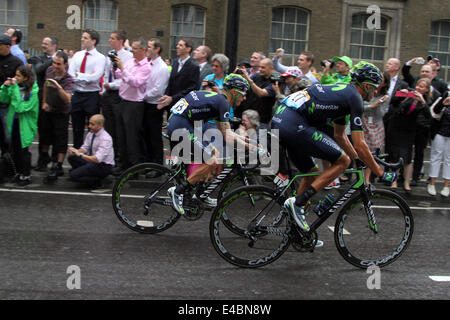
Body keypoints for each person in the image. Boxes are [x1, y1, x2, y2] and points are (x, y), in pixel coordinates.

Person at [272, 62, 396, 235]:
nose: (375, 92)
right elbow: (360, 144)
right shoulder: (355, 99)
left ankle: (295, 228)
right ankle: (298, 203)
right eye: (374, 88)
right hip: (294, 124)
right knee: (342, 161)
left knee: (312, 173)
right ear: (366, 85)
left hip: (282, 120)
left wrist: (359, 160)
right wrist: (380, 172)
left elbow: (340, 136)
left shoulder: (345, 94)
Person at [162, 74, 259, 214]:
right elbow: (228, 136)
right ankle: (177, 192)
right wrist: (253, 147)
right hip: (181, 126)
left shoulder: (219, 100)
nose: (244, 98)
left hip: (183, 122)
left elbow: (226, 132)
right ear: (234, 92)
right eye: (243, 94)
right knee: (212, 160)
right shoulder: (223, 103)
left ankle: (201, 194)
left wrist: (250, 141)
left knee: (214, 153)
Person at [386, 78, 433, 192]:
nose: (418, 88)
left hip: (409, 131)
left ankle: (407, 182)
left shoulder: (426, 100)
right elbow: (394, 102)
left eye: (422, 87)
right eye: (418, 85)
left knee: (407, 157)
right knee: (394, 155)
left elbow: (428, 115)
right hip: (396, 127)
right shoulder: (409, 93)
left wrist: (421, 101)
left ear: (426, 90)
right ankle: (394, 180)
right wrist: (403, 95)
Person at [112, 38, 152, 174]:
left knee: (132, 137)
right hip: (123, 101)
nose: (132, 51)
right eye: (132, 48)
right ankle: (123, 163)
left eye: (135, 48)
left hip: (134, 105)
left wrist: (123, 69)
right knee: (121, 135)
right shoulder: (130, 62)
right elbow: (119, 75)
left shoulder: (146, 67)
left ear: (143, 50)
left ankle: (134, 166)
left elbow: (135, 82)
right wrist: (116, 66)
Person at [0, 65, 39, 187]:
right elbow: (4, 99)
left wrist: (15, 87)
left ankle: (26, 175)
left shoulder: (33, 91)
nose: (15, 78)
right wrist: (5, 87)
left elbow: (21, 107)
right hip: (14, 122)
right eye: (15, 75)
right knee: (15, 149)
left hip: (26, 125)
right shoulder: (15, 87)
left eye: (18, 76)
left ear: (26, 78)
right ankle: (19, 172)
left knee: (23, 151)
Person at [68, 29, 106, 149]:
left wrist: (78, 75)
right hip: (77, 94)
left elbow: (95, 77)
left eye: (85, 38)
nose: (82, 40)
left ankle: (92, 155)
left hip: (91, 96)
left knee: (93, 128)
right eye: (82, 37)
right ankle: (77, 156)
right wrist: (85, 77)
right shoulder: (77, 55)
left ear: (93, 41)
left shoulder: (100, 58)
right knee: (77, 129)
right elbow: (70, 74)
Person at [40, 51, 74, 180]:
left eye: (58, 64)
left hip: (61, 112)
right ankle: (45, 158)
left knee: (60, 139)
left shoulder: (68, 79)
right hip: (49, 110)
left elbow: (67, 99)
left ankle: (58, 165)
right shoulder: (49, 71)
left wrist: (59, 87)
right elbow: (45, 85)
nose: (55, 66)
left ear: (65, 64)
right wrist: (44, 101)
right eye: (54, 63)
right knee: (45, 136)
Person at [102, 30, 133, 163]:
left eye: (113, 38)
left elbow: (126, 77)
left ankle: (120, 157)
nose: (110, 40)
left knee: (118, 128)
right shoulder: (109, 55)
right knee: (108, 127)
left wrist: (112, 85)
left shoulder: (127, 57)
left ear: (120, 41)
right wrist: (104, 86)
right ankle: (111, 156)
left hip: (119, 94)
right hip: (107, 94)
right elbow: (106, 72)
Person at [30, 36, 59, 171]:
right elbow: (39, 70)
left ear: (54, 46)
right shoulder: (38, 58)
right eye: (42, 43)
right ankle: (42, 158)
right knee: (43, 131)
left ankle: (55, 160)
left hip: (57, 99)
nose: (43, 45)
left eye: (46, 44)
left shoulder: (61, 59)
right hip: (43, 99)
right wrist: (54, 60)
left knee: (56, 131)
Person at [67, 114, 114, 188]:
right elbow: (85, 148)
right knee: (71, 157)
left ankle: (97, 181)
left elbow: (97, 159)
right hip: (93, 162)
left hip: (103, 165)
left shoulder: (105, 139)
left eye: (92, 124)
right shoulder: (91, 134)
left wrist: (80, 155)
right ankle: (87, 174)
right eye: (89, 123)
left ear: (100, 125)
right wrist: (75, 151)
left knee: (73, 176)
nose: (89, 126)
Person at [143, 38, 170, 165]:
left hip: (154, 106)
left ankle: (157, 164)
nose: (147, 49)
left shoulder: (162, 68)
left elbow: (158, 90)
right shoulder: (148, 64)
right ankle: (149, 163)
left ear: (157, 49)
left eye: (149, 47)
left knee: (154, 136)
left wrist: (141, 95)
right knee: (146, 136)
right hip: (146, 104)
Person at [362, 71, 391, 185]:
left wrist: (378, 104)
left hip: (375, 126)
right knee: (361, 150)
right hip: (363, 123)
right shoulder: (366, 90)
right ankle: (362, 177)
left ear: (384, 83)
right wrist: (372, 105)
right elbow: (360, 106)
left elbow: (381, 114)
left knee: (372, 153)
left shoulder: (385, 96)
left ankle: (367, 179)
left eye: (381, 80)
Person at [157, 39, 200, 110]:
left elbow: (192, 88)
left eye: (181, 45)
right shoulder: (175, 63)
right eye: (177, 44)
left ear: (188, 49)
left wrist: (173, 98)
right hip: (170, 105)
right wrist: (166, 97)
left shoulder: (194, 66)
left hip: (184, 105)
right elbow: (170, 82)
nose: (177, 46)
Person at [0, 34, 22, 155]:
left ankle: (8, 160)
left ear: (8, 46)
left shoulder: (16, 62)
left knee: (7, 134)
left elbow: (22, 80)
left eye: (0, 45)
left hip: (7, 105)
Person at [239, 58, 276, 125]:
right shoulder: (256, 76)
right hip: (248, 117)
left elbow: (261, 93)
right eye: (259, 67)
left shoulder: (274, 82)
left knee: (262, 135)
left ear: (271, 68)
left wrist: (249, 80)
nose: (260, 69)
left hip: (262, 120)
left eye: (263, 67)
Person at [428, 91, 450, 197]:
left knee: (448, 159)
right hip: (440, 132)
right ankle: (432, 183)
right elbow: (434, 111)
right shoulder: (446, 95)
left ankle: (447, 186)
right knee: (436, 157)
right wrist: (443, 103)